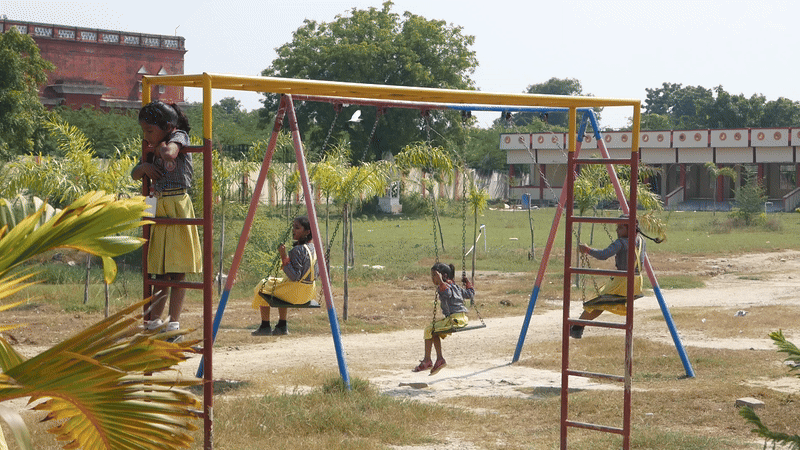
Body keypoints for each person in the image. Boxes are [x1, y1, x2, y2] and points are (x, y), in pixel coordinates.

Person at [131, 101, 202, 341]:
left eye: (150, 131)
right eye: (144, 131)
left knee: (178, 270)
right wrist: (145, 167)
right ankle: (153, 323)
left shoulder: (178, 136)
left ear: (167, 127)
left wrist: (159, 148)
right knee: (160, 270)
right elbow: (135, 174)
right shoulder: (150, 146)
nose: (146, 136)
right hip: (159, 205)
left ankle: (173, 325)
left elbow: (171, 153)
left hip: (178, 205)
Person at [570, 215, 662, 339]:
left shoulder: (621, 243)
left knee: (598, 301)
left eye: (620, 228)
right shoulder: (641, 241)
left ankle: (578, 326)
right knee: (602, 303)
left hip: (622, 280)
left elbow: (603, 255)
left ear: (629, 229)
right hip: (637, 281)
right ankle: (578, 326)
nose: (617, 231)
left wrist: (587, 250)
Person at [251, 216, 319, 336]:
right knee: (279, 285)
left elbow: (294, 276)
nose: (294, 230)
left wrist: (283, 256)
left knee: (262, 285)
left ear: (307, 232)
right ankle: (282, 325)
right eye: (293, 227)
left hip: (295, 293)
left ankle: (265, 326)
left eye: (297, 228)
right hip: (309, 293)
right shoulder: (315, 249)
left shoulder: (297, 250)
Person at [412, 262, 474, 375]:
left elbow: (447, 293)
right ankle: (439, 359)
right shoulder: (456, 287)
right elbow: (470, 294)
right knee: (433, 331)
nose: (432, 279)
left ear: (443, 276)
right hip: (463, 319)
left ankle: (427, 360)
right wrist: (467, 283)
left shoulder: (446, 287)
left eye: (434, 276)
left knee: (428, 329)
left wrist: (440, 282)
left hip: (453, 320)